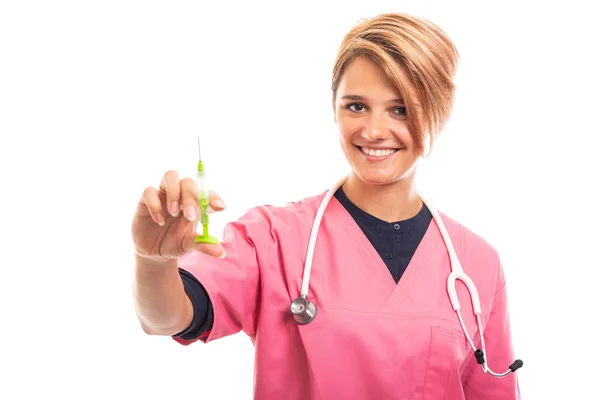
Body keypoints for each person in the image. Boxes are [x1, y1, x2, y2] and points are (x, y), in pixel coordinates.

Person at [131, 12, 521, 399]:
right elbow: (168, 317)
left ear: (439, 111)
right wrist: (152, 261)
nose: (372, 130)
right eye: (356, 106)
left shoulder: (476, 266)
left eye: (400, 108)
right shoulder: (274, 240)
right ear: (334, 106)